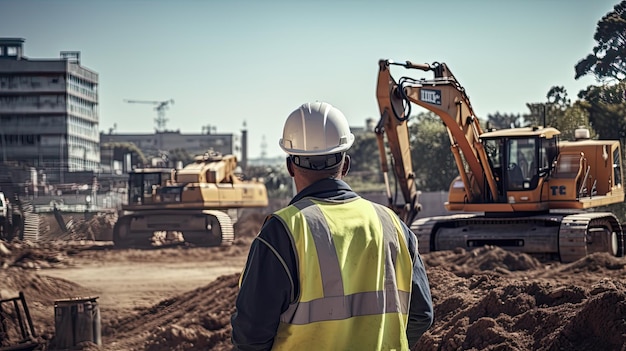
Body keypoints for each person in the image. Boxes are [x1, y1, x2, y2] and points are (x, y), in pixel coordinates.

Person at [231, 101, 434, 350]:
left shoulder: (283, 232)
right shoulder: (394, 226)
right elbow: (421, 315)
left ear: (290, 167)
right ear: (345, 165)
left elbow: (250, 334)